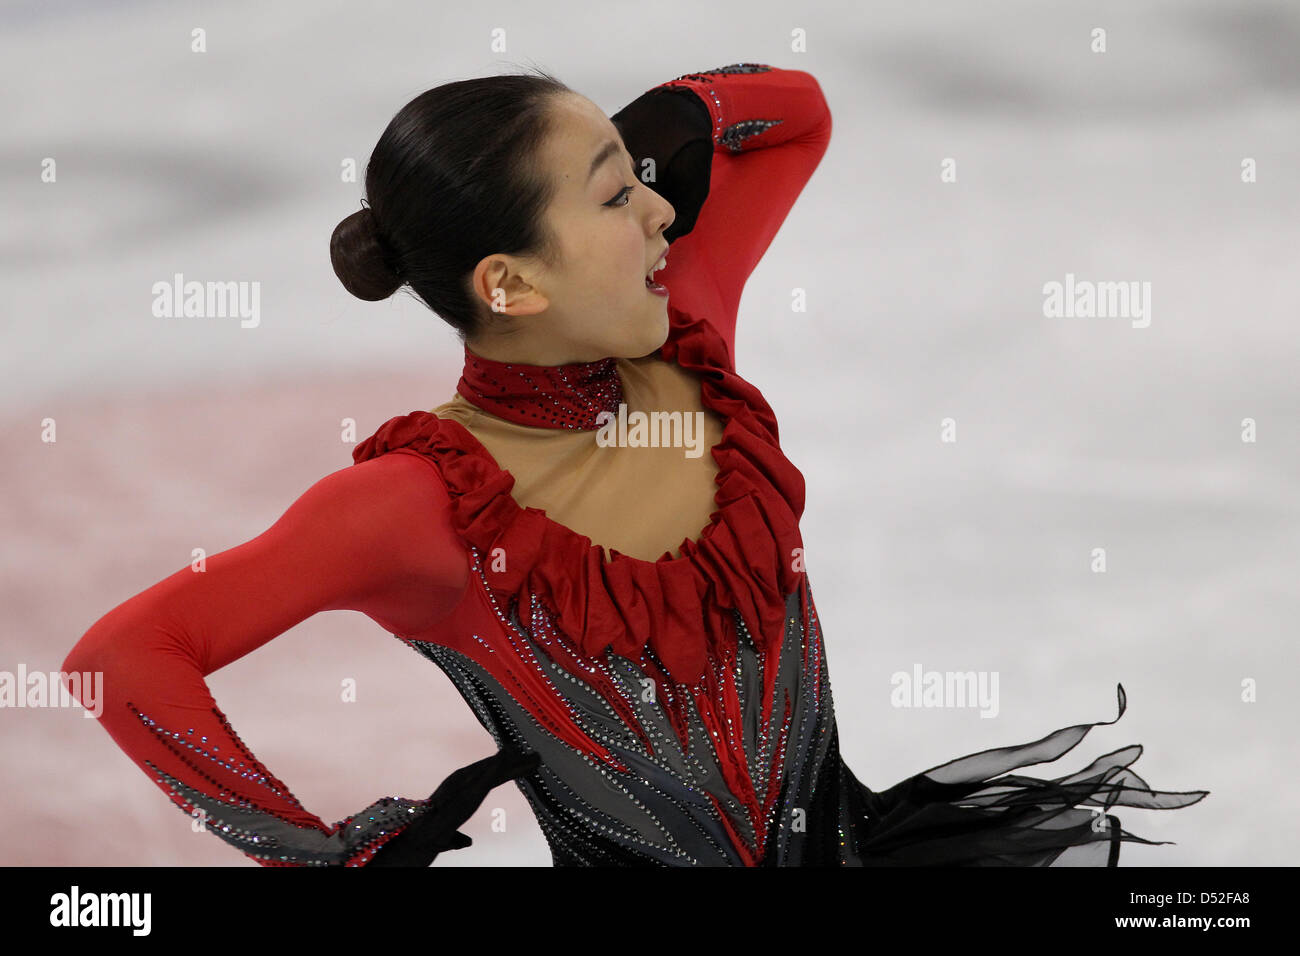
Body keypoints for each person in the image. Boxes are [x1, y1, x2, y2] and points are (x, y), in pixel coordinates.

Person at [62, 63, 1208, 867]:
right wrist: (298, 854)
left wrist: (623, 136)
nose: (664, 209)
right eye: (617, 196)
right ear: (509, 283)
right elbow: (123, 659)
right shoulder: (419, 506)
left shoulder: (687, 340)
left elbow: (791, 113)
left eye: (640, 174)